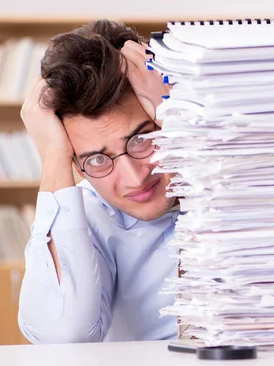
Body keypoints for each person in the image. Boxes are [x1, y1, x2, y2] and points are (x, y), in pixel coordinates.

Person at [17, 19, 178, 343]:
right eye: (96, 159)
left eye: (143, 139)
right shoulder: (86, 218)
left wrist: (181, 114)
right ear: (76, 164)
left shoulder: (241, 181)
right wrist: (53, 160)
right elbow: (65, 337)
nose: (135, 177)